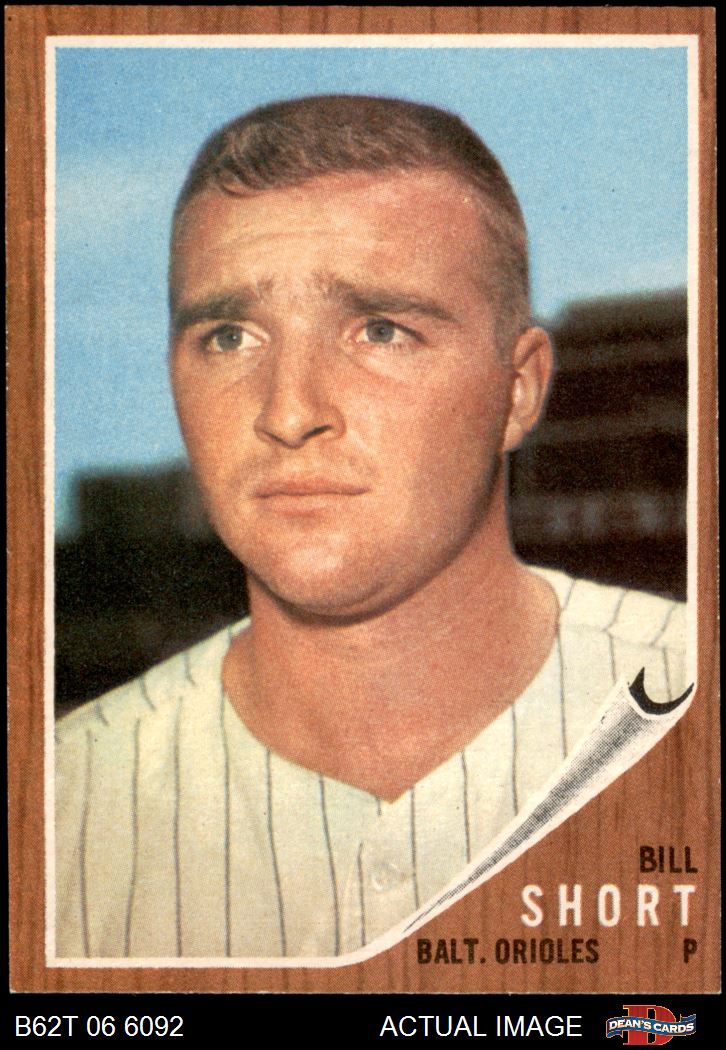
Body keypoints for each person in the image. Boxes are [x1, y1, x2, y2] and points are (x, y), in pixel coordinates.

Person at [55, 95, 689, 961]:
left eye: (380, 330)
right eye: (230, 337)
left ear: (518, 390)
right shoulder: (57, 803)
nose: (289, 413)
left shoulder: (691, 701)